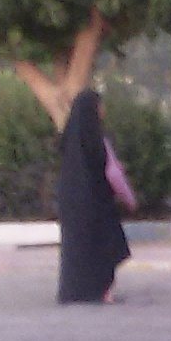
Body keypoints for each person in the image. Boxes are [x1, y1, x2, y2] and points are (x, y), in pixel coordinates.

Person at [55, 90, 133, 304]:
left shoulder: (69, 138)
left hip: (71, 200)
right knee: (105, 243)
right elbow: (111, 171)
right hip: (96, 200)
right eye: (99, 106)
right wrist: (128, 198)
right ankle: (101, 289)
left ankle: (76, 291)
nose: (103, 110)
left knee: (76, 248)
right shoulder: (96, 138)